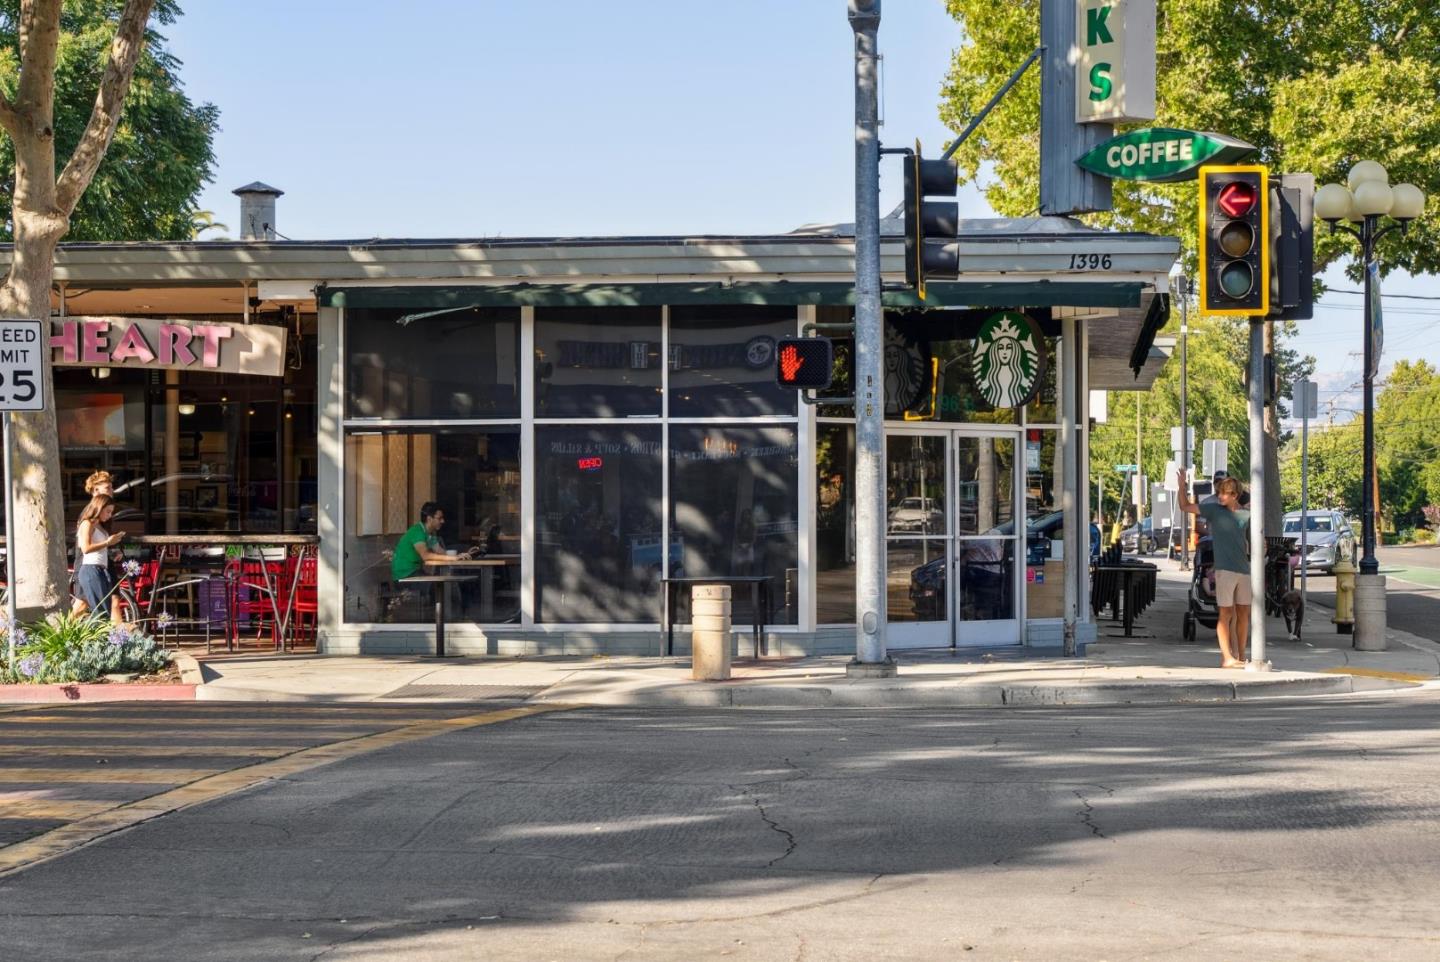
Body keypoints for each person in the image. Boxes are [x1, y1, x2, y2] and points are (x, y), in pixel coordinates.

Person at [1177, 468, 1250, 668]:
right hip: (1224, 569)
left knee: (1243, 613)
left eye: (1223, 493)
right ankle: (1227, 657)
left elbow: (1252, 540)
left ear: (1234, 495)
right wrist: (1181, 486)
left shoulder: (1246, 516)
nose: (1219, 496)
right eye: (1219, 492)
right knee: (1225, 613)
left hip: (1244, 570)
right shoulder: (1213, 510)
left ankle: (1241, 656)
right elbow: (1185, 506)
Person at [73, 494, 125, 622]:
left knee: (104, 610)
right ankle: (93, 639)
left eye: (111, 512)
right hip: (91, 569)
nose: (109, 515)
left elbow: (100, 548)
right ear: (99, 508)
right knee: (101, 612)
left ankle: (98, 639)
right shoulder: (87, 523)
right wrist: (108, 542)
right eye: (107, 511)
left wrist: (112, 551)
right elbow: (86, 548)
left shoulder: (100, 526)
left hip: (101, 569)